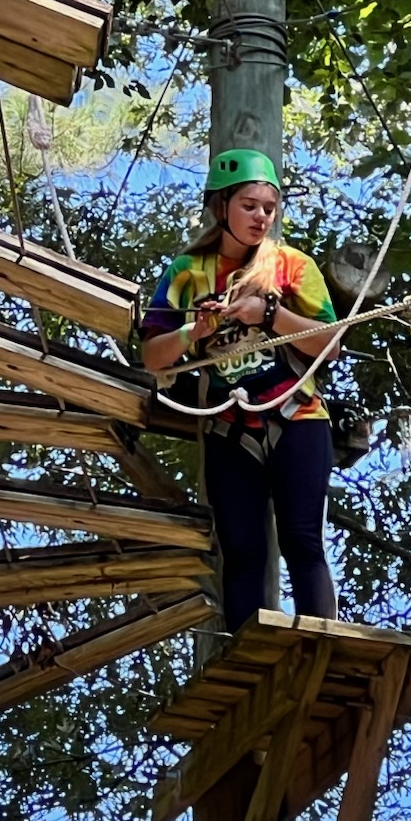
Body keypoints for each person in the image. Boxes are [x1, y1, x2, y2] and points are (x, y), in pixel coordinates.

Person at [140, 148, 340, 633]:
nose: (261, 217)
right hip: (231, 425)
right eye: (249, 205)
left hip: (297, 414)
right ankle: (245, 655)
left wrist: (268, 315)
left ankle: (323, 643)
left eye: (268, 208)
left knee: (302, 540)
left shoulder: (291, 265)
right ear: (221, 206)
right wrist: (194, 332)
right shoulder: (187, 272)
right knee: (242, 551)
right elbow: (152, 355)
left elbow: (330, 345)